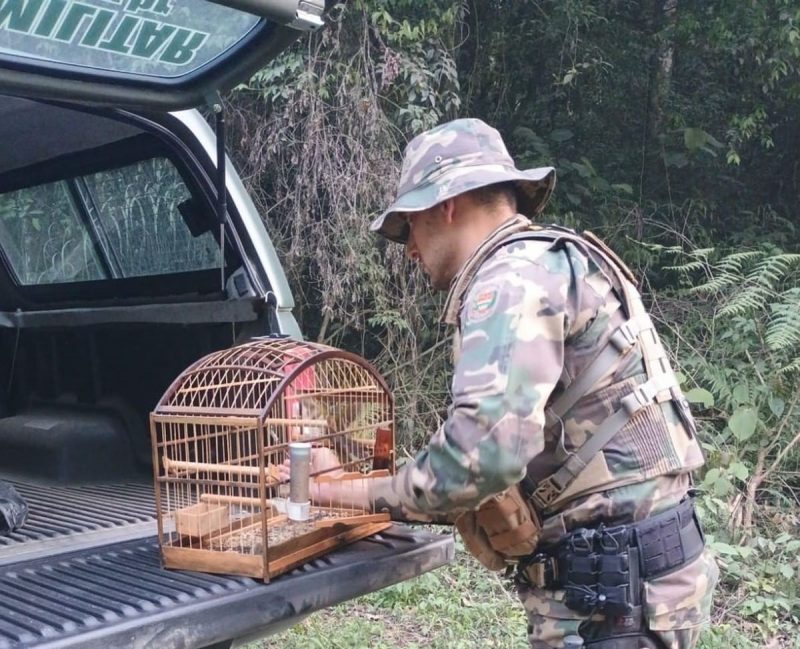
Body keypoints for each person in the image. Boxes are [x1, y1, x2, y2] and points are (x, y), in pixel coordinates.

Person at [309, 118, 718, 648]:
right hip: (635, 580)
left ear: (445, 206)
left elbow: (481, 458)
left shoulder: (509, 280)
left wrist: (339, 493)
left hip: (616, 597)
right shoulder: (548, 259)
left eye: (409, 227)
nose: (409, 249)